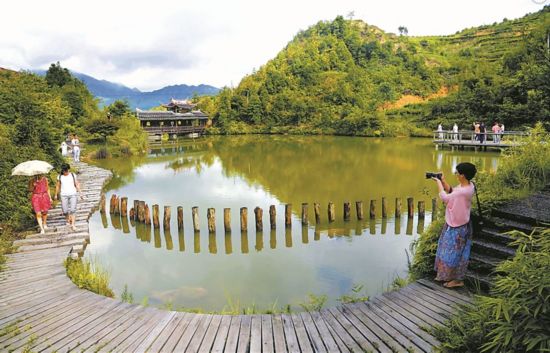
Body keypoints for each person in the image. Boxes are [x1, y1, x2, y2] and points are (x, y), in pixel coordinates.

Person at [431, 162, 477, 288]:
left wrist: (439, 183)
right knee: (452, 253)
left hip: (458, 227)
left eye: (457, 172)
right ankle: (450, 277)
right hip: (458, 223)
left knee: (453, 254)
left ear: (462, 175)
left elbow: (445, 198)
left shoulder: (463, 191)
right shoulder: (469, 185)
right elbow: (452, 191)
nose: (455, 174)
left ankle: (457, 280)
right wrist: (444, 181)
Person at [54, 163, 83, 231]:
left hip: (73, 194)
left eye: (66, 170)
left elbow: (76, 184)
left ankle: (73, 224)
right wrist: (55, 194)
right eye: (64, 170)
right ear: (62, 170)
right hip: (63, 195)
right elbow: (58, 186)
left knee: (73, 210)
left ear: (68, 169)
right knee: (65, 211)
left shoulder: (73, 175)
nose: (65, 172)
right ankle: (67, 219)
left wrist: (80, 193)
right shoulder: (60, 176)